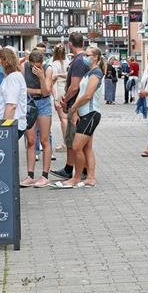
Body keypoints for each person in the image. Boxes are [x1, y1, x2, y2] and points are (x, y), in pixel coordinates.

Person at [56, 46, 104, 188]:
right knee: (86, 148)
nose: (85, 57)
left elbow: (87, 95)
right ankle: (90, 178)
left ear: (95, 57)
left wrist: (75, 107)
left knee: (77, 147)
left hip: (91, 114)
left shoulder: (96, 73)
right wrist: (76, 111)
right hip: (85, 114)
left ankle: (76, 178)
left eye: (88, 55)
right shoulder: (89, 72)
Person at [52, 32, 88, 180]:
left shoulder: (78, 61)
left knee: (72, 139)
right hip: (79, 105)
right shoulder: (81, 59)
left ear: (70, 44)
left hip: (75, 105)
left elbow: (74, 86)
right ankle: (80, 169)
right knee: (80, 141)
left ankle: (71, 169)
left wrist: (65, 100)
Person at [21, 49, 54, 187]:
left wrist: (41, 77)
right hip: (29, 103)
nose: (36, 68)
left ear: (42, 63)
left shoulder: (48, 69)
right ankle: (30, 175)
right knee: (31, 140)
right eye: (33, 65)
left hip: (43, 103)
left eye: (38, 65)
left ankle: (45, 175)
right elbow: (22, 88)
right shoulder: (24, 67)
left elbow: (46, 91)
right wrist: (37, 91)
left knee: (45, 139)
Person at [0, 47, 29, 141]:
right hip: (11, 125)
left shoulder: (13, 78)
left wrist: (4, 128)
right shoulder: (10, 77)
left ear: (4, 61)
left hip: (11, 126)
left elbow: (11, 105)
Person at [50, 44, 69, 152]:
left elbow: (53, 82)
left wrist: (55, 98)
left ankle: (65, 144)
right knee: (68, 118)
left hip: (59, 90)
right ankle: (69, 142)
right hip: (67, 90)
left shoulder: (54, 64)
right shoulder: (68, 62)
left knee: (63, 119)